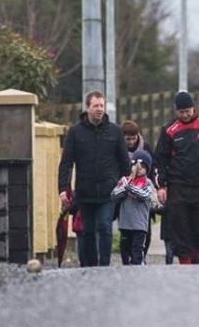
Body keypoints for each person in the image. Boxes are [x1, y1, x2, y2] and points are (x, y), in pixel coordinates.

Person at [58, 91, 130, 267]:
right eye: (95, 106)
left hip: (108, 192)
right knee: (87, 232)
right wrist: (62, 189)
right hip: (85, 192)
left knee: (105, 227)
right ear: (87, 108)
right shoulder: (76, 132)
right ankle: (90, 268)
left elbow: (124, 162)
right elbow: (66, 162)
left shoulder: (115, 131)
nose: (99, 109)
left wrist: (124, 185)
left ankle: (104, 265)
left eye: (102, 106)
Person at [154, 91, 199, 264]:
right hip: (177, 187)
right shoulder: (169, 130)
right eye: (182, 112)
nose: (186, 115)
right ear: (176, 111)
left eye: (188, 111)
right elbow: (160, 160)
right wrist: (161, 186)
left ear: (194, 109)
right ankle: (185, 265)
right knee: (180, 229)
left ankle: (197, 261)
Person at [112, 150, 158, 265]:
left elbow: (144, 195)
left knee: (137, 251)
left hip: (139, 225)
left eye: (142, 167)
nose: (139, 169)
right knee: (125, 252)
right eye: (136, 166)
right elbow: (114, 195)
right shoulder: (124, 180)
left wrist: (129, 187)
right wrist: (126, 185)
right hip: (125, 224)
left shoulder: (148, 183)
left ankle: (138, 270)